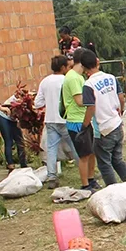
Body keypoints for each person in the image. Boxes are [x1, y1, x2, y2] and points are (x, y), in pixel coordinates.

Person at [81, 51, 126, 186]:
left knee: (104, 164)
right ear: (97, 62)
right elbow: (121, 97)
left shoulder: (89, 85)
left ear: (83, 68)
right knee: (117, 160)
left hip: (103, 130)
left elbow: (91, 108)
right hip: (117, 124)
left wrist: (84, 126)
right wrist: (120, 111)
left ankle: (114, 190)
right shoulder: (111, 78)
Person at [34, 55, 80, 189]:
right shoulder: (67, 80)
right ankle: (86, 173)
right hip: (66, 119)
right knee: (75, 146)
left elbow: (38, 103)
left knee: (51, 149)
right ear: (63, 67)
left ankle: (52, 176)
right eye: (67, 66)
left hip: (50, 119)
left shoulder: (45, 81)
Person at [62, 48, 99, 191]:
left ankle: (91, 179)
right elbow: (79, 100)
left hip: (85, 119)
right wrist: (96, 99)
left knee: (91, 152)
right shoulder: (72, 78)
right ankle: (85, 184)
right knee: (84, 155)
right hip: (77, 122)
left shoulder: (80, 77)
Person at [0, 94, 28, 171]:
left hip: (13, 119)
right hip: (3, 117)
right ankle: (10, 164)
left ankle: (23, 164)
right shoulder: (16, 100)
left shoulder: (28, 105)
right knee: (8, 141)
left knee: (20, 141)